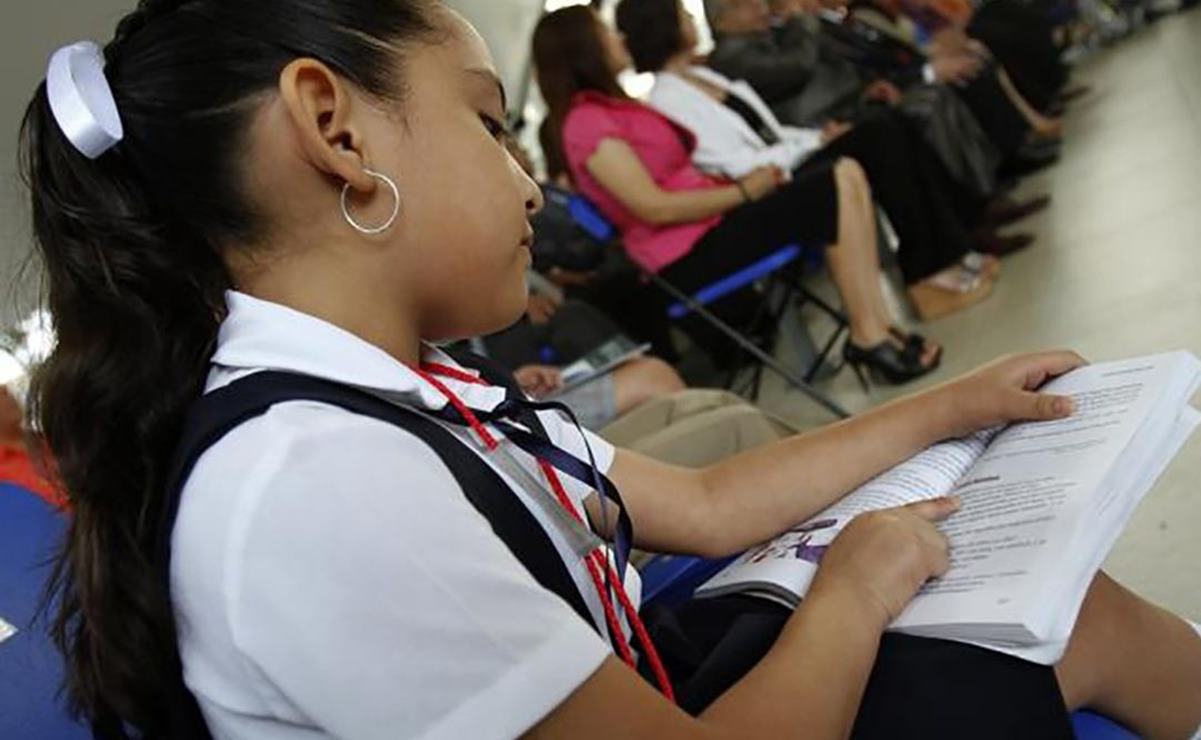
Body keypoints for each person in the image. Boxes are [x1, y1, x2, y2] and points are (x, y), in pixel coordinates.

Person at [22, 2, 1201, 739]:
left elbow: (704, 503)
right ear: (335, 128)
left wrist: (949, 406)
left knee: (1039, 611)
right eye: (491, 126)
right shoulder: (311, 480)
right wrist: (849, 587)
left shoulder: (391, 386)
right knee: (1065, 627)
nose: (528, 181)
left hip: (641, 671)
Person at [533, 5, 941, 383]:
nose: (619, 40)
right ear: (582, 49)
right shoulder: (584, 123)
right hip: (682, 257)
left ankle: (879, 328)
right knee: (833, 181)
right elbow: (653, 207)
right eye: (606, 34)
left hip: (707, 227)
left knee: (846, 172)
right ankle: (868, 337)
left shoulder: (610, 108)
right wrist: (746, 191)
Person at [615, 0, 1006, 321]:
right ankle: (926, 277)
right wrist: (812, 144)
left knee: (887, 122)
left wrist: (818, 137)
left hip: (785, 156)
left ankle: (951, 255)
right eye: (682, 15)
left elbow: (770, 131)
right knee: (879, 135)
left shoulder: (702, 76)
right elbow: (734, 162)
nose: (690, 20)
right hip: (768, 177)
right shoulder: (667, 98)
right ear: (665, 26)